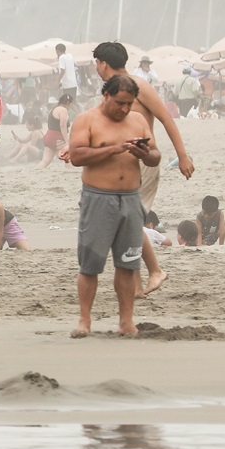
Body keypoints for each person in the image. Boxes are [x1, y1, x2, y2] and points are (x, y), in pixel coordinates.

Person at [90, 42, 196, 294]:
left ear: (103, 63)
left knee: (129, 218)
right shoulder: (109, 91)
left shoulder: (139, 86)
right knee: (123, 220)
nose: (95, 68)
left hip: (144, 161)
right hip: (119, 164)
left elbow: (166, 118)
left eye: (96, 63)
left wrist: (182, 156)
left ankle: (154, 270)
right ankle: (137, 283)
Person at [66, 74, 159, 338]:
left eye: (129, 104)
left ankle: (126, 321)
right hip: (98, 197)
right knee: (90, 263)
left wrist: (144, 153)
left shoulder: (138, 121)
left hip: (130, 197)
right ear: (106, 95)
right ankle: (85, 320)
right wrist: (114, 149)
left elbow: (155, 156)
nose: (125, 109)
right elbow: (77, 156)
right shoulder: (87, 119)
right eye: (120, 103)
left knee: (129, 263)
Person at [38, 95, 74, 170]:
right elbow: (63, 125)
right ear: (67, 103)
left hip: (48, 137)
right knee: (68, 158)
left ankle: (36, 171)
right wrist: (67, 141)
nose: (71, 106)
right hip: (57, 137)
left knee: (45, 161)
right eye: (71, 104)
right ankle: (70, 172)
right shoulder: (63, 110)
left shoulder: (53, 109)